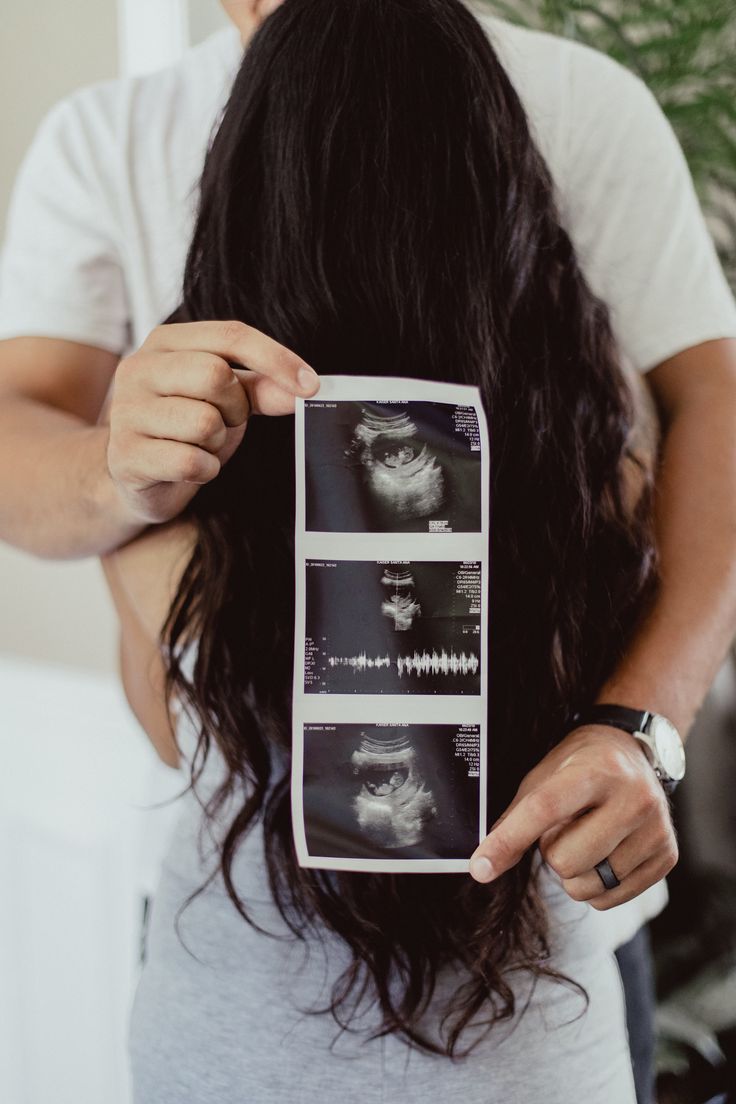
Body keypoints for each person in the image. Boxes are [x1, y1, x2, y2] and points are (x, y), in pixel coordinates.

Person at [1, 0, 735, 1101]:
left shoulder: (586, 106)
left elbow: (715, 408)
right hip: (359, 987)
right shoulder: (110, 140)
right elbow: (24, 441)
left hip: (521, 961)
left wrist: (643, 721)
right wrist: (114, 465)